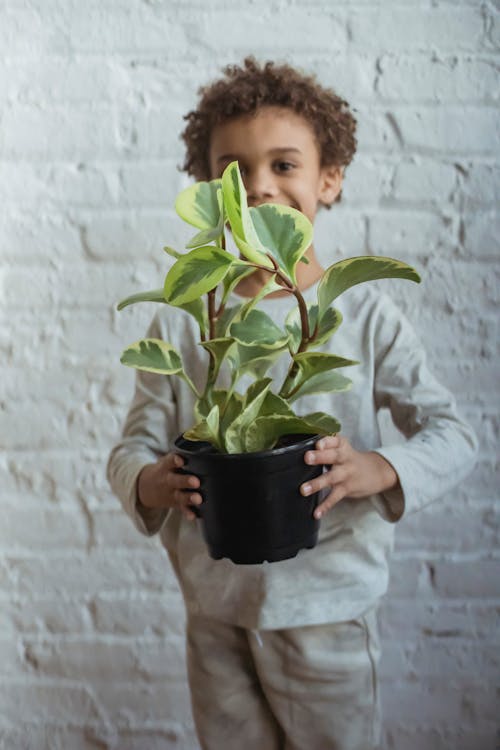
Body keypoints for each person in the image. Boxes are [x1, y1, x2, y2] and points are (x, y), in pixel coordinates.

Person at [107, 58, 477, 750]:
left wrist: (377, 468)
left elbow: (453, 433)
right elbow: (132, 449)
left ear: (328, 179)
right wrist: (150, 481)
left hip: (328, 608)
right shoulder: (187, 322)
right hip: (214, 607)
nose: (260, 187)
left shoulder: (362, 315)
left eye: (284, 165)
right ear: (208, 190)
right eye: (235, 171)